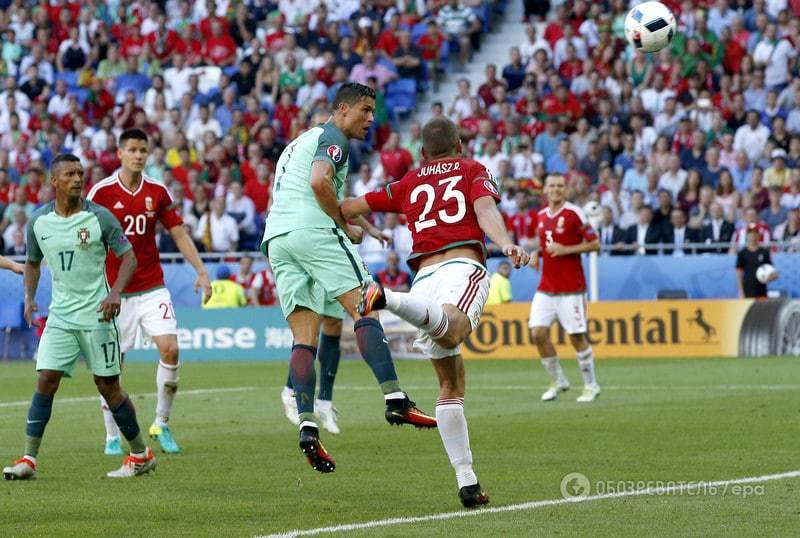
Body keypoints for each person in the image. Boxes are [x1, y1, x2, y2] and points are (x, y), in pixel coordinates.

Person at [341, 116, 529, 508]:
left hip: (424, 282)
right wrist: (506, 244)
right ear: (459, 146)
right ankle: (386, 298)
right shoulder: (473, 169)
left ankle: (467, 482)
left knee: (450, 383)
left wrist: (329, 204)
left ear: (423, 153)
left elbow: (347, 206)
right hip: (461, 268)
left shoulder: (408, 181)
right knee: (456, 328)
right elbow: (484, 210)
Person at [260, 83, 435, 474]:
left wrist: (365, 227)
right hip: (313, 233)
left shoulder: (298, 143)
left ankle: (307, 426)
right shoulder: (334, 138)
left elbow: (315, 191)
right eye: (366, 110)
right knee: (366, 305)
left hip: (278, 239)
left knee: (304, 338)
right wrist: (342, 222)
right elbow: (319, 182)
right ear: (342, 109)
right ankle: (395, 400)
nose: (371, 119)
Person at [3, 154, 155, 480]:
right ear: (53, 182)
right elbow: (31, 263)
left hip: (97, 315)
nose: (77, 179)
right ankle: (28, 459)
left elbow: (129, 258)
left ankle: (141, 454)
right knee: (45, 379)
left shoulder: (99, 218)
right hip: (60, 316)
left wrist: (115, 292)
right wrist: (29, 299)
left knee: (108, 386)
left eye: (80, 173)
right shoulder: (38, 222)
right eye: (70, 174)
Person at [87, 129, 212, 456]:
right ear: (120, 153)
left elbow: (180, 234)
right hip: (114, 292)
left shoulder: (157, 191)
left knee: (170, 349)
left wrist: (201, 271)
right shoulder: (100, 193)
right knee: (113, 366)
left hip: (152, 287)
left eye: (143, 150)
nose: (139, 155)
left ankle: (161, 423)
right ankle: (112, 435)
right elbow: (85, 239)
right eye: (133, 149)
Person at [529, 174, 601, 403]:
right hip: (546, 287)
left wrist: (566, 249)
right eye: (552, 186)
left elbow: (595, 243)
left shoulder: (574, 213)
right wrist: (536, 254)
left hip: (571, 288)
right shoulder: (540, 216)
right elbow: (546, 244)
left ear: (566, 189)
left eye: (560, 186)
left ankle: (591, 385)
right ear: (545, 190)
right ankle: (558, 380)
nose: (556, 190)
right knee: (537, 333)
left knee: (577, 336)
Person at [736, 223, 778, 298]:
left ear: (758, 235)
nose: (752, 236)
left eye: (755, 233)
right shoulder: (742, 253)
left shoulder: (764, 252)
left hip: (761, 291)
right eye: (750, 234)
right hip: (747, 291)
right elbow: (739, 273)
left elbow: (774, 273)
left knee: (762, 309)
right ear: (747, 235)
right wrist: (741, 291)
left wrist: (770, 277)